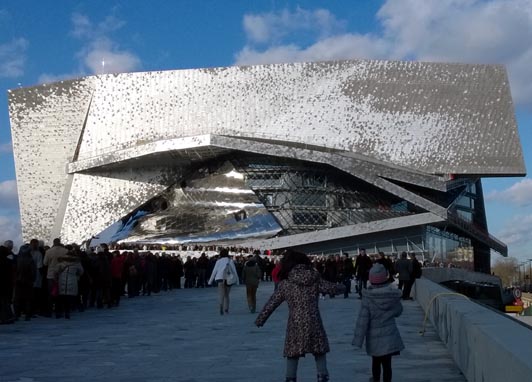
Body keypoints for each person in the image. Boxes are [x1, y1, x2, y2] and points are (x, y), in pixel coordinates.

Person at [255, 249, 343, 382]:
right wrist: (343, 287)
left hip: (295, 323)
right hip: (314, 321)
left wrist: (260, 319)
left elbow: (272, 303)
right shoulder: (314, 279)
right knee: (319, 351)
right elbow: (332, 288)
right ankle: (322, 376)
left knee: (292, 353)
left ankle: (290, 378)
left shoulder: (286, 284)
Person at [352, 263, 404, 382]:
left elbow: (362, 320)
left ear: (371, 279)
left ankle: (375, 379)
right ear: (384, 278)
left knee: (375, 362)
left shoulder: (368, 298)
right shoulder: (392, 295)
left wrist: (358, 340)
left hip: (374, 337)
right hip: (389, 336)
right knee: (387, 365)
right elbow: (399, 311)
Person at [208, 248, 239, 315]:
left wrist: (210, 281)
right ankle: (226, 309)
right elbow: (234, 271)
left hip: (220, 279)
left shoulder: (218, 261)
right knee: (227, 295)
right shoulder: (230, 261)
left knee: (221, 295)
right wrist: (237, 280)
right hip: (228, 279)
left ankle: (221, 306)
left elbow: (214, 271)